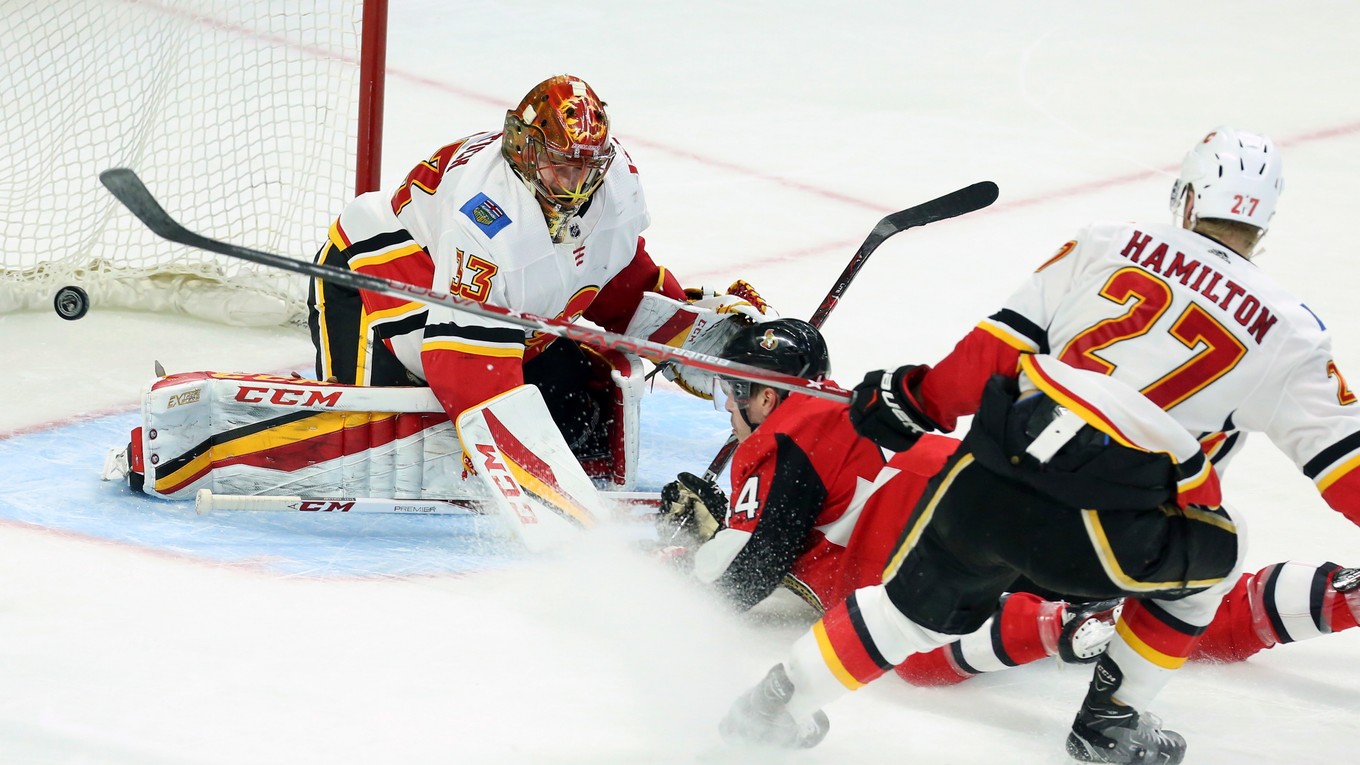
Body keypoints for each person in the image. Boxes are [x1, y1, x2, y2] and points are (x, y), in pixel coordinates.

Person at [721, 126, 1360, 763]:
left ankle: (775, 703)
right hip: (1112, 533)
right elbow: (1347, 472)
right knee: (1220, 550)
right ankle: (1111, 717)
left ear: (1189, 200)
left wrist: (909, 399)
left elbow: (989, 357)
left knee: (906, 607)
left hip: (994, 477)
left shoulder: (1103, 242)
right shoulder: (1292, 335)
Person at [662, 321, 1360, 688]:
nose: (731, 410)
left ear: (769, 393)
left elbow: (747, 578)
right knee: (1162, 615)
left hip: (927, 532)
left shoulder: (786, 433)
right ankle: (1336, 596)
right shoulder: (842, 409)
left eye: (736, 394)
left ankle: (1059, 626)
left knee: (914, 647)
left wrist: (690, 555)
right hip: (987, 484)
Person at [306, 74, 772, 485]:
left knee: (576, 412)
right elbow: (464, 360)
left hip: (500, 317)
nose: (575, 183)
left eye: (586, 166)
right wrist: (525, 467)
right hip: (376, 276)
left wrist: (702, 338)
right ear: (525, 150)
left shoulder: (615, 181)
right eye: (561, 165)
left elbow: (617, 281)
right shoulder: (485, 211)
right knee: (370, 449)